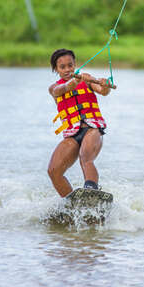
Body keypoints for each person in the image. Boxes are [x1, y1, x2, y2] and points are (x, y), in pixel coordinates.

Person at [48, 48, 111, 197]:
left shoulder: (87, 78)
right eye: (62, 67)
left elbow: (103, 91)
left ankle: (91, 192)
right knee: (53, 170)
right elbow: (64, 88)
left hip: (92, 129)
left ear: (75, 64)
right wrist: (75, 81)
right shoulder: (53, 88)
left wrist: (105, 85)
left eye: (70, 65)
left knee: (85, 156)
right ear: (56, 69)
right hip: (72, 135)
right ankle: (71, 204)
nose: (67, 69)